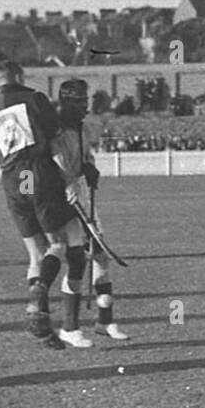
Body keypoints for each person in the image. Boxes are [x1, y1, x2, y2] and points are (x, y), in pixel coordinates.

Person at [0, 59, 80, 350]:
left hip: (12, 179)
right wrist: (69, 178)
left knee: (35, 254)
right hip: (38, 172)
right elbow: (56, 141)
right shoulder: (34, 98)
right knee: (57, 244)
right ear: (19, 76)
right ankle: (41, 289)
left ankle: (43, 328)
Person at [49, 77, 130, 345]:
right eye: (81, 100)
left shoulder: (80, 128)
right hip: (62, 199)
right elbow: (56, 161)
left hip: (81, 195)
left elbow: (85, 158)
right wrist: (69, 182)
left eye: (86, 99)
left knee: (100, 256)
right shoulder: (55, 128)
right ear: (68, 100)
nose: (85, 105)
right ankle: (69, 327)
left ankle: (105, 322)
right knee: (76, 261)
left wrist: (90, 168)